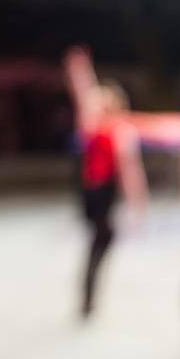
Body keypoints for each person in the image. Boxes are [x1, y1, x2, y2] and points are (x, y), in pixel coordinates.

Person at [63, 46, 148, 319]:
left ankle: (88, 294)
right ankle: (88, 294)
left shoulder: (97, 127)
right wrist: (138, 201)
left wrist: (80, 70)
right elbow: (130, 172)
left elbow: (84, 97)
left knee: (98, 242)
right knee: (102, 240)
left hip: (92, 192)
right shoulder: (113, 130)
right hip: (98, 192)